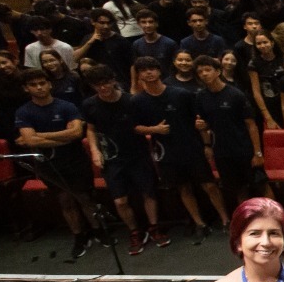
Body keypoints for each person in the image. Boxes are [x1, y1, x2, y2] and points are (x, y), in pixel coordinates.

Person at [131, 56, 227, 237]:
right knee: (184, 188)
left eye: (152, 68)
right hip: (166, 153)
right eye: (144, 70)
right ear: (139, 75)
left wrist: (206, 144)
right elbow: (135, 127)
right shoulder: (137, 101)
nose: (149, 73)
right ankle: (200, 223)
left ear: (159, 71)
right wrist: (154, 129)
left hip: (192, 147)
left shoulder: (181, 94)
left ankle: (225, 220)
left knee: (209, 185)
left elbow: (199, 121)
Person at [81, 65, 167, 254]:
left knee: (148, 193)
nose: (103, 88)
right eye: (97, 85)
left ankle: (154, 227)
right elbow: (91, 129)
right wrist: (95, 151)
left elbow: (142, 126)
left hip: (137, 154)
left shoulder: (132, 101)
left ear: (113, 81)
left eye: (105, 83)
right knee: (120, 200)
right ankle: (134, 231)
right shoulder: (89, 105)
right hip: (111, 157)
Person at [14, 68, 94, 258]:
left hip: (75, 159)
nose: (39, 87)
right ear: (26, 88)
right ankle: (79, 236)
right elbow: (31, 141)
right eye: (33, 85)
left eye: (42, 83)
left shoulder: (66, 106)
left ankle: (98, 231)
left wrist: (39, 135)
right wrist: (61, 137)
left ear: (49, 84)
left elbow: (76, 134)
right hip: (49, 164)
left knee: (86, 198)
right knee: (65, 200)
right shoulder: (24, 111)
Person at [193, 54, 270, 204]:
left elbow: (251, 125)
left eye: (207, 70)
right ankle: (246, 219)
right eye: (200, 71)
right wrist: (206, 139)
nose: (204, 74)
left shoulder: (236, 94)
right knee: (237, 188)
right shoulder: (201, 97)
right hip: (222, 152)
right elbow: (204, 123)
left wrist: (257, 153)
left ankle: (275, 216)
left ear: (218, 72)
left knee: (261, 184)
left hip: (244, 149)